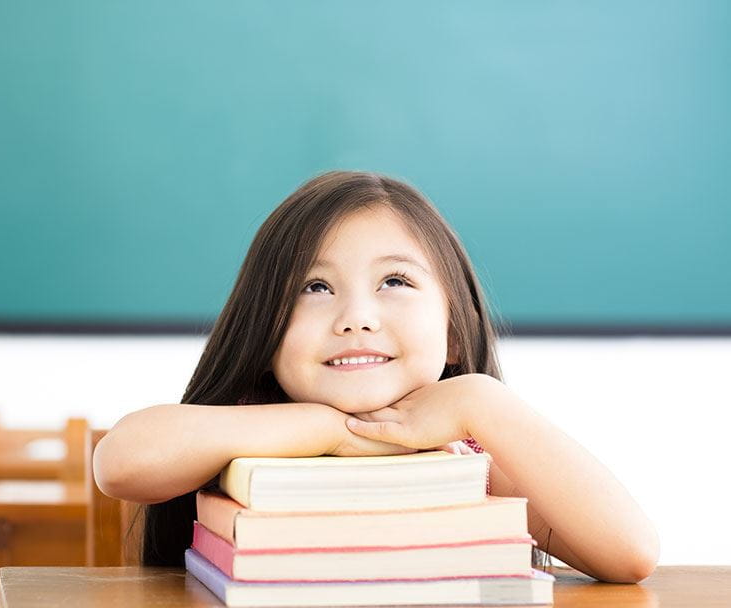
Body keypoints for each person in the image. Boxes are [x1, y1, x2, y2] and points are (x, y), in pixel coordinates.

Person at [93, 170, 659, 583]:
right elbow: (121, 462)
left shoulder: (469, 458)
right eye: (314, 288)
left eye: (395, 282)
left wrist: (483, 401)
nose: (357, 318)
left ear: (455, 333)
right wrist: (327, 429)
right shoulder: (248, 429)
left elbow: (630, 554)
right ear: (263, 336)